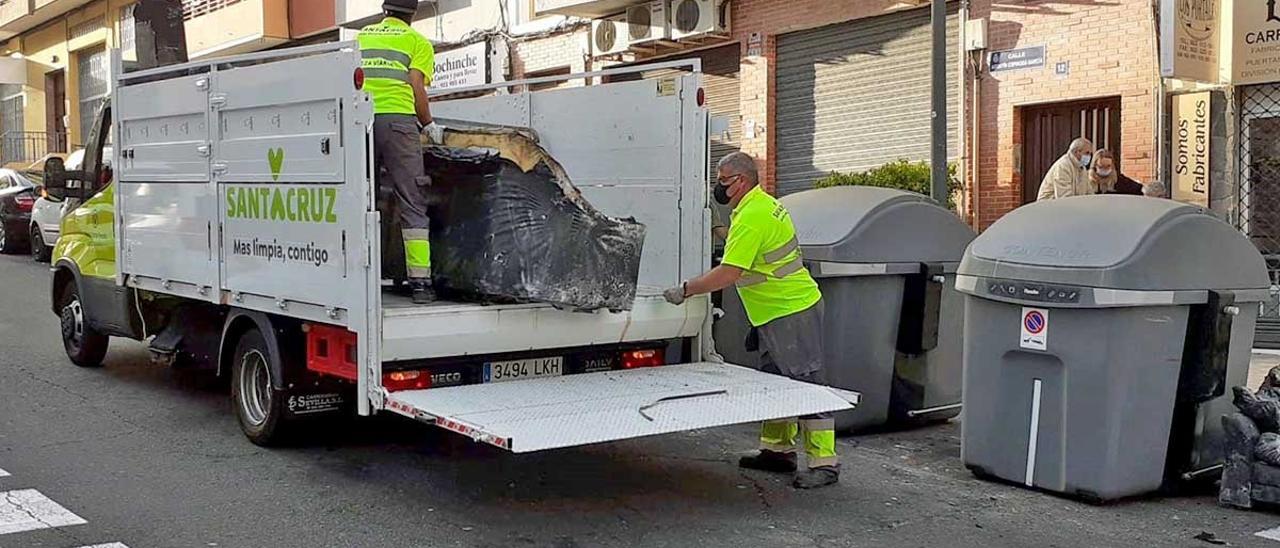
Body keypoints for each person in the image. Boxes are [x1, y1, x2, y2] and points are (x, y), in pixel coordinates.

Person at [662, 152, 839, 489]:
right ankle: (777, 452)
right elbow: (744, 244)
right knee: (776, 381)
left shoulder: (753, 216)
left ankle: (825, 464)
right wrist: (717, 227)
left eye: (722, 180)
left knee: (807, 384)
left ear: (740, 181)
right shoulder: (758, 206)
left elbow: (729, 272)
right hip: (777, 311)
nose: (718, 185)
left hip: (790, 310)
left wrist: (686, 290)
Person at [358, 0, 443, 303]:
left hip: (359, 122)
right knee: (412, 199)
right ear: (414, 14)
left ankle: (358, 279)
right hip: (399, 124)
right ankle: (421, 284)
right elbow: (416, 84)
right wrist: (429, 124)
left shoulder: (363, 35)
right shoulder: (417, 42)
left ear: (384, 10)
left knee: (361, 200)